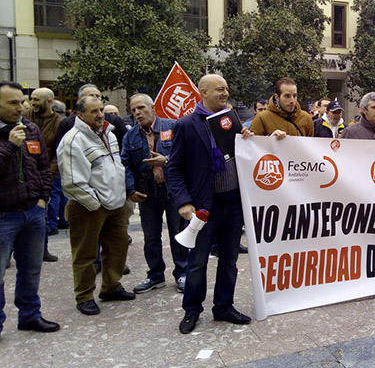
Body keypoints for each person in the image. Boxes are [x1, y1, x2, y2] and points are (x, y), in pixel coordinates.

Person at [167, 74, 252, 334]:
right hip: (205, 206)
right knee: (198, 261)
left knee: (229, 259)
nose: (225, 93)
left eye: (227, 88)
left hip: (233, 203)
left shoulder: (232, 121)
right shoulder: (186, 125)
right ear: (203, 92)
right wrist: (183, 201)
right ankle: (192, 310)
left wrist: (248, 139)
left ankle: (223, 306)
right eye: (219, 89)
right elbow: (174, 169)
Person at [58, 95, 135, 316]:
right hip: (87, 206)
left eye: (101, 109)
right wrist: (97, 203)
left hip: (114, 204)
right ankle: (84, 296)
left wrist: (118, 199)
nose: (100, 114)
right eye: (94, 111)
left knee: (118, 248)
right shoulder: (73, 140)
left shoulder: (109, 134)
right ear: (80, 115)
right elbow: (73, 181)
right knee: (85, 255)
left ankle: (111, 287)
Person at [0, 81, 61, 335]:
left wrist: (43, 199)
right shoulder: (12, 136)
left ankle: (30, 315)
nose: (21, 108)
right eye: (13, 103)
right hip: (4, 216)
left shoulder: (31, 129)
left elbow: (43, 167)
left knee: (31, 269)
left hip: (33, 212)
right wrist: (10, 145)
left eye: (22, 102)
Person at [121, 93, 188, 294]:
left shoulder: (173, 127)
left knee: (178, 234)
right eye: (133, 110)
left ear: (153, 108)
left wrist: (166, 160)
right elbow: (125, 164)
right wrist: (131, 189)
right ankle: (155, 275)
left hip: (174, 191)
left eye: (141, 108)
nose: (137, 113)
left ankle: (182, 273)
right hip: (147, 194)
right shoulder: (130, 136)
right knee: (150, 236)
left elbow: (186, 155)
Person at [25, 88, 62, 262]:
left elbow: (57, 152)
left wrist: (50, 172)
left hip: (46, 174)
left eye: (37, 99)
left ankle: (42, 249)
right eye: (32, 99)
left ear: (49, 102)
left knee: (43, 214)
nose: (33, 103)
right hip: (23, 173)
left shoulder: (59, 122)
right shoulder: (25, 117)